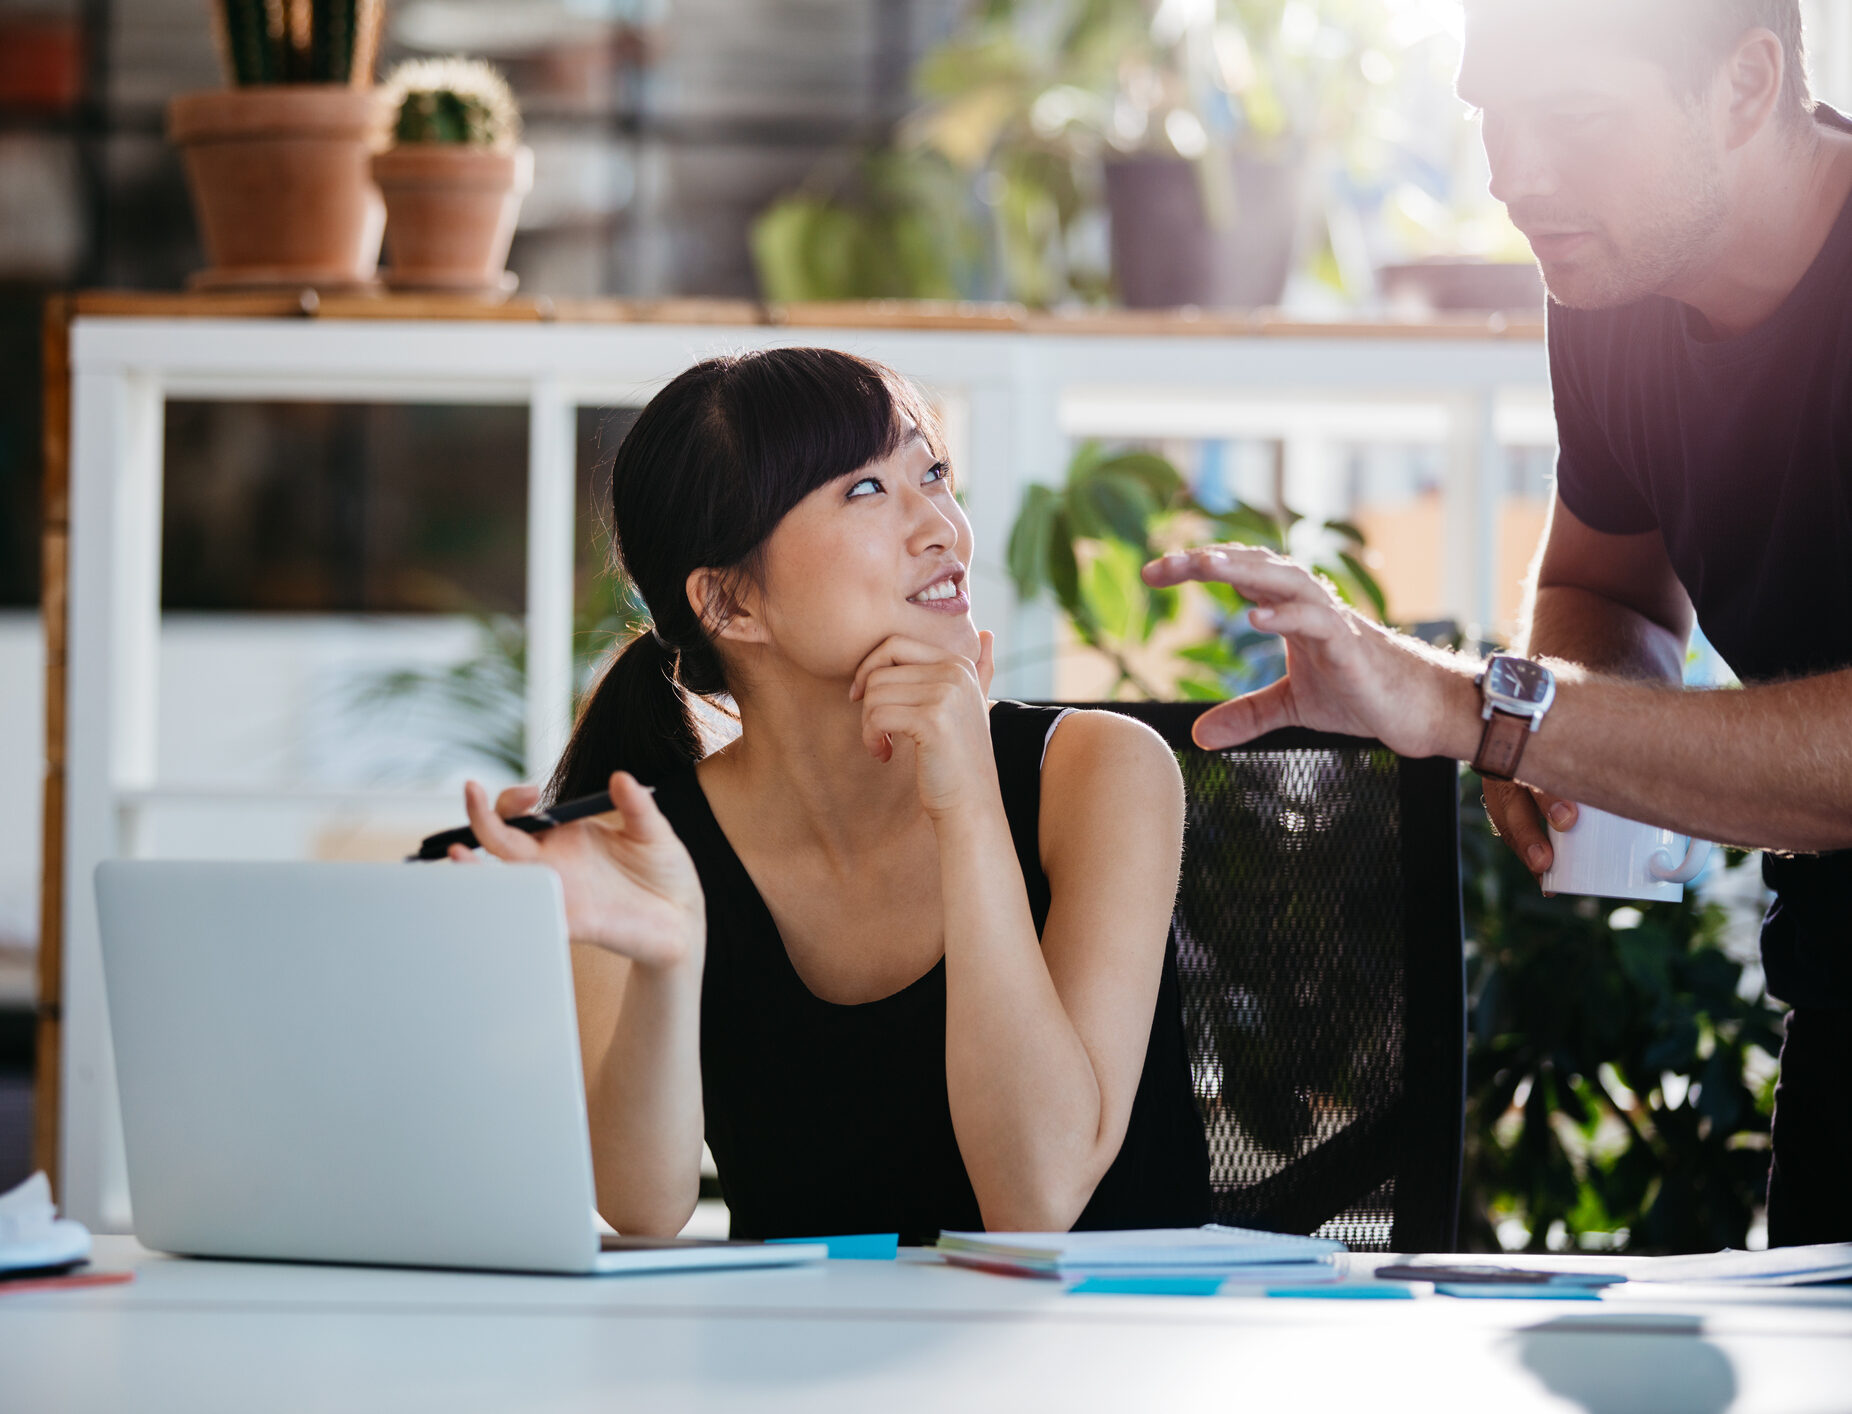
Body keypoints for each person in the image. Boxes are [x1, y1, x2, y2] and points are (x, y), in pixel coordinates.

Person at [1146, 0, 1852, 1246]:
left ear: (1746, 87)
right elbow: (1614, 586)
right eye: (1490, 118)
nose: (1514, 178)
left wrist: (1489, 709)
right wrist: (1581, 733)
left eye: (1573, 121)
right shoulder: (1615, 277)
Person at [453, 347, 1211, 1243]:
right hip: (805, 1370)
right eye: (865, 491)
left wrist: (965, 800)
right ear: (730, 604)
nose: (940, 526)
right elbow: (645, 1210)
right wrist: (664, 961)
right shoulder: (644, 848)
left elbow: (1035, 1198)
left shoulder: (1101, 773)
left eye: (932, 473)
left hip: (1101, 1365)